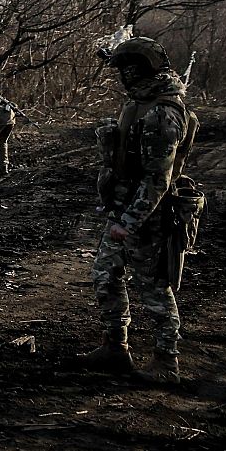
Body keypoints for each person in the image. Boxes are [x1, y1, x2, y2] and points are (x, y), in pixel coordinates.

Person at [79, 36, 200, 384]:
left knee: (154, 289)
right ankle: (115, 348)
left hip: (149, 216)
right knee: (105, 274)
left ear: (140, 71)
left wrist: (130, 221)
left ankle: (166, 362)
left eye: (126, 70)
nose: (122, 77)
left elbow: (157, 179)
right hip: (123, 208)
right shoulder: (144, 102)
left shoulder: (164, 113)